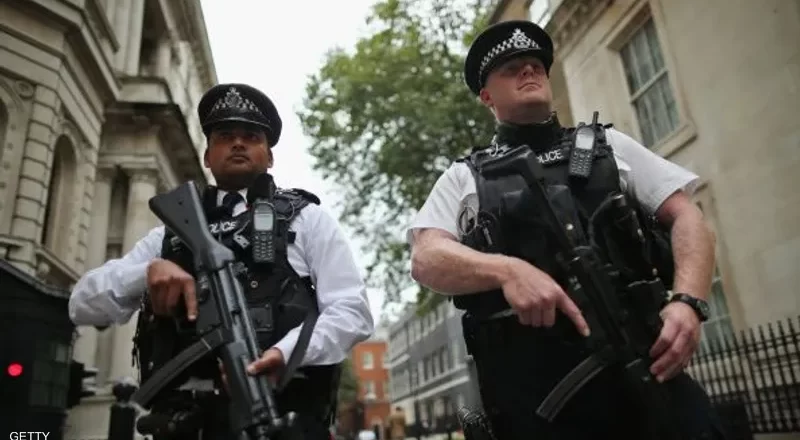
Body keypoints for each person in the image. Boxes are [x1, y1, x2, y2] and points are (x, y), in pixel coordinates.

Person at [407, 20, 725, 440]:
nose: (529, 70)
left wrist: (688, 302)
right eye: (511, 67)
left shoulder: (608, 146)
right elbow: (426, 256)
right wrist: (507, 271)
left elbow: (688, 217)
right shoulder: (464, 177)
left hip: (648, 374)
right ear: (486, 96)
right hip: (539, 401)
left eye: (536, 65)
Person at [69, 83, 374, 439]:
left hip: (282, 421)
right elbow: (81, 304)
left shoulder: (307, 220)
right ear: (207, 156)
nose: (238, 143)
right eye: (225, 136)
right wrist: (146, 273)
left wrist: (285, 353)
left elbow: (352, 312)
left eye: (251, 136)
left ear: (270, 157)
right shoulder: (169, 236)